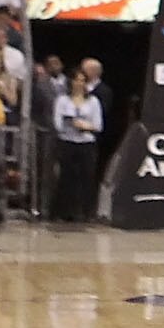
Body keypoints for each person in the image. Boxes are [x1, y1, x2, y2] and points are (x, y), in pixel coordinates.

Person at [50, 68, 103, 222]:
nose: (79, 83)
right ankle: (63, 212)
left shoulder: (93, 101)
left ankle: (85, 212)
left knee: (86, 176)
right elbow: (57, 123)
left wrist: (85, 126)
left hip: (86, 143)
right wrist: (70, 123)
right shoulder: (62, 100)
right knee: (66, 177)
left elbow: (98, 125)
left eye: (82, 80)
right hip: (67, 142)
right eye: (76, 80)